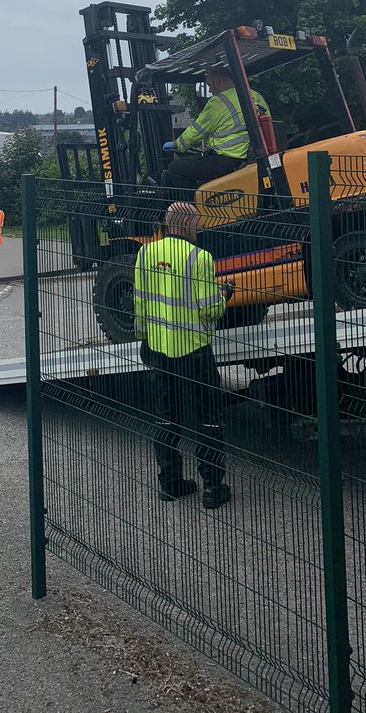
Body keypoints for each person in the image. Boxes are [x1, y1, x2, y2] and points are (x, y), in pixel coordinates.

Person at [134, 200, 234, 508]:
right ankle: (212, 488)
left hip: (159, 349)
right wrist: (224, 294)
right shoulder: (199, 257)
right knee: (209, 418)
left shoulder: (145, 253)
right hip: (194, 351)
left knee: (166, 418)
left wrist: (145, 338)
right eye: (198, 223)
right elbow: (209, 309)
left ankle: (170, 484)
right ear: (187, 224)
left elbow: (140, 302)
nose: (200, 228)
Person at [161, 67, 270, 197]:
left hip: (227, 159)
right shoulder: (255, 96)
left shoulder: (219, 101)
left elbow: (197, 130)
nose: (210, 91)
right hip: (253, 156)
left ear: (217, 82)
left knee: (176, 168)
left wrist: (177, 144)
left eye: (209, 86)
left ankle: (190, 207)